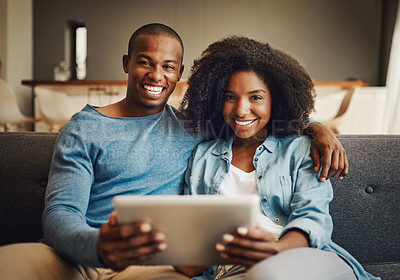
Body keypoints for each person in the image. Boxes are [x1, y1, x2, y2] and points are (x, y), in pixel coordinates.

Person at [0, 24, 347, 280]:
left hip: (150, 265)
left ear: (179, 73)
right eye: (145, 62)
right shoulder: (84, 128)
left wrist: (317, 128)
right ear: (126, 63)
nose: (156, 74)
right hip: (74, 257)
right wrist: (97, 246)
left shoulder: (193, 127)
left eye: (168, 66)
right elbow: (60, 212)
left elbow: (262, 114)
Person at [177, 36, 378, 279]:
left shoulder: (301, 149)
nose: (241, 110)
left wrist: (273, 249)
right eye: (230, 97)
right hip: (231, 268)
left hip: (301, 258)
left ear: (277, 100)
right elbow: (194, 241)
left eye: (256, 97)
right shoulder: (202, 158)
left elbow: (313, 219)